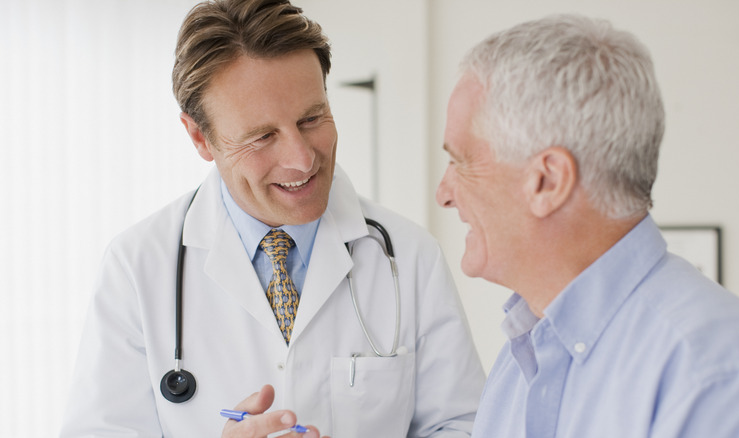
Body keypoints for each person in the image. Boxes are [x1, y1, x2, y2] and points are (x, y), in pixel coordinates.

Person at [60, 1, 485, 437]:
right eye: (263, 136)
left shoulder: (410, 257)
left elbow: (465, 425)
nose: (302, 160)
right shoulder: (137, 267)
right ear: (199, 137)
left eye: (311, 118)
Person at [436, 13, 739, 438]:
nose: (444, 193)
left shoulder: (720, 375)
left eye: (460, 162)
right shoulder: (523, 357)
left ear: (548, 181)